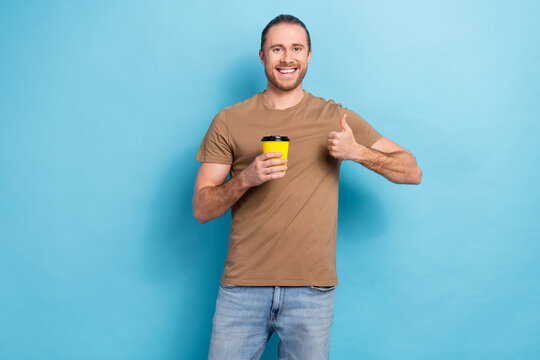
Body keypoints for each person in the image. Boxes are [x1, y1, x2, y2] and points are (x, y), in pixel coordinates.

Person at [193, 14, 422, 360]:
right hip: (242, 289)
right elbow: (201, 208)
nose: (287, 58)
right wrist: (245, 178)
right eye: (277, 49)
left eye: (296, 48)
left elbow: (411, 171)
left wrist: (357, 152)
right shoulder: (230, 120)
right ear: (262, 56)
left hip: (311, 292)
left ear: (309, 55)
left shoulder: (334, 117)